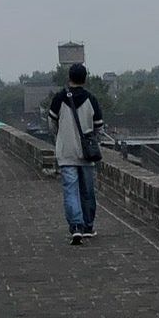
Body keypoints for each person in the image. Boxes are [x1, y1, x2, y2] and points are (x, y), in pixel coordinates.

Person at [46, 63, 103, 243]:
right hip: (86, 154)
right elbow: (99, 126)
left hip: (66, 152)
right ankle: (88, 226)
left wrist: (61, 136)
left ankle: (76, 226)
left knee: (71, 191)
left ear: (69, 77)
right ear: (85, 78)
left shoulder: (60, 98)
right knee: (87, 191)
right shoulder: (91, 99)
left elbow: (51, 123)